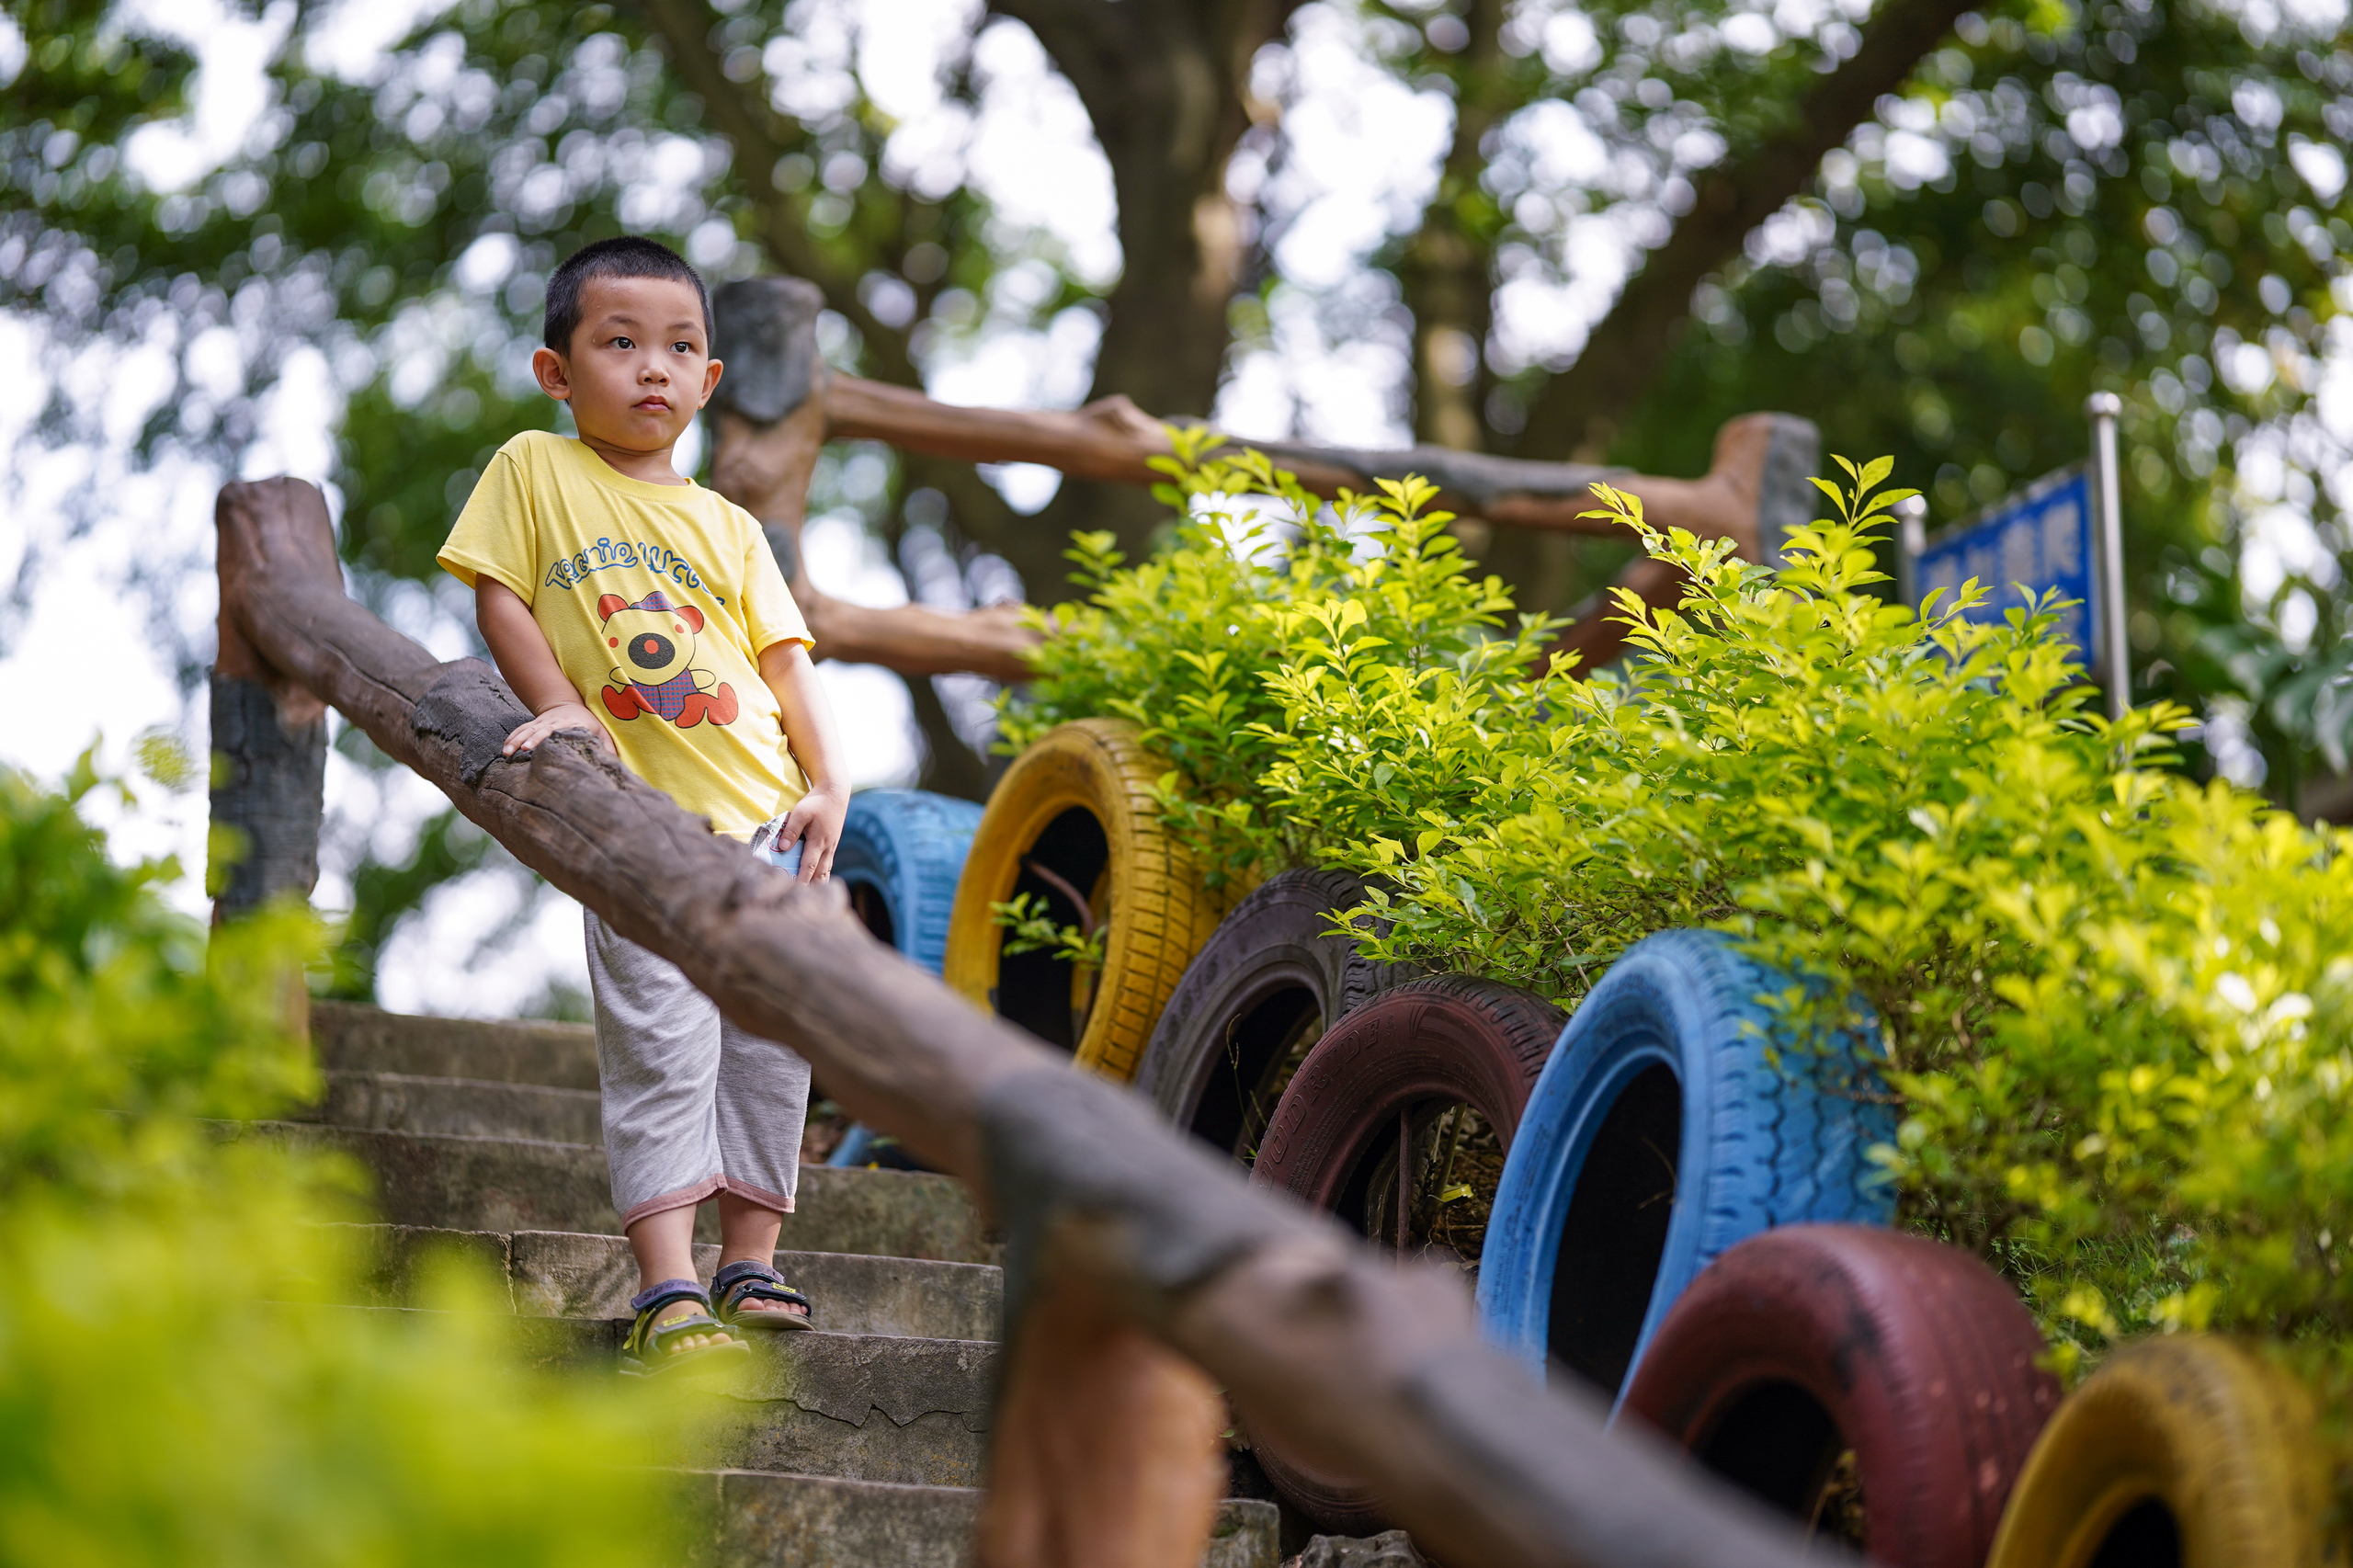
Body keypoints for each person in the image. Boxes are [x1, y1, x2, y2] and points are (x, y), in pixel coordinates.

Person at [437, 236, 849, 1377]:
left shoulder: (729, 526)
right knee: (666, 1046)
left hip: (766, 821)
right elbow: (500, 598)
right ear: (556, 371)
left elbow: (783, 662)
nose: (651, 369)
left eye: (678, 348)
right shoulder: (535, 468)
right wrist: (563, 706)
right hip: (639, 825)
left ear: (710, 380)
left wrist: (829, 781)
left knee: (772, 1042)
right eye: (619, 344)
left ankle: (749, 1258)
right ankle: (666, 1279)